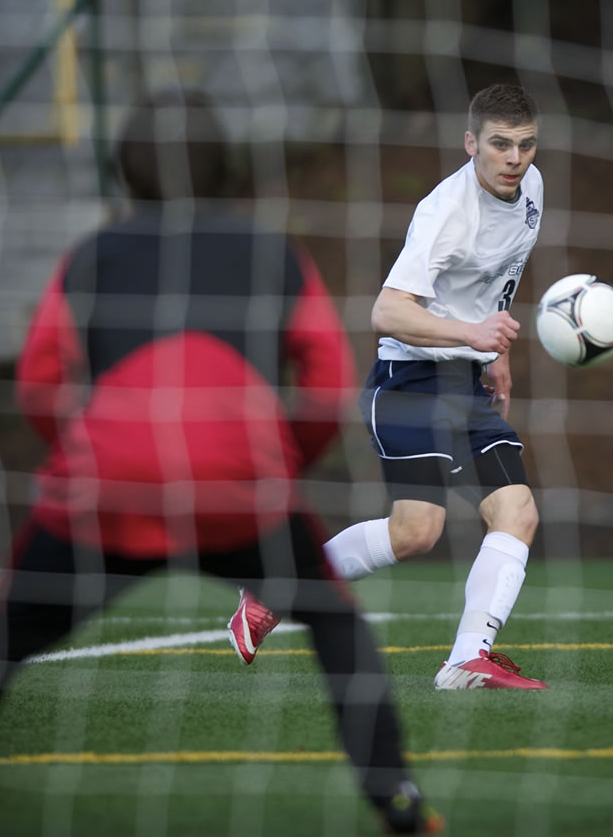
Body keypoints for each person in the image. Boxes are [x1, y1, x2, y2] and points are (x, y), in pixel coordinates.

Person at [0, 90, 444, 834]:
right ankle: (397, 800)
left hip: (106, 487)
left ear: (121, 173)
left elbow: (41, 376)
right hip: (240, 489)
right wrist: (279, 464)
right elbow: (328, 378)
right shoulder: (273, 252)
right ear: (230, 170)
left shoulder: (90, 254)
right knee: (335, 625)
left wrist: (88, 453)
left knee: (9, 633)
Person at [229, 82, 548, 691]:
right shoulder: (444, 212)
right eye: (500, 145)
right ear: (470, 144)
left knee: (518, 511)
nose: (514, 159)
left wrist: (493, 353)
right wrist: (473, 335)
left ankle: (466, 660)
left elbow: (500, 272)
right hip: (408, 382)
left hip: (466, 380)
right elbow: (387, 312)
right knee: (416, 531)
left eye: (526, 145)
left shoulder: (531, 186)